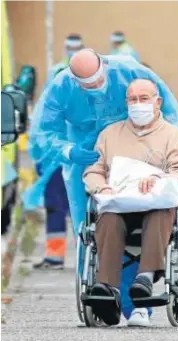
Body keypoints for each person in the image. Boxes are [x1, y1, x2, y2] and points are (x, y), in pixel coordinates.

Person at [27, 48, 178, 326]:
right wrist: (69, 152)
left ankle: (139, 301)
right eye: (86, 85)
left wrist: (165, 174)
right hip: (93, 158)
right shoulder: (62, 89)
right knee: (99, 226)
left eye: (143, 99)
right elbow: (43, 133)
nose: (94, 88)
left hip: (152, 175)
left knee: (156, 214)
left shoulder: (131, 73)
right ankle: (107, 295)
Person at [83, 79, 178, 326]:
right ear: (126, 103)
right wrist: (102, 186)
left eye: (144, 98)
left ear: (158, 102)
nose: (138, 104)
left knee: (161, 211)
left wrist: (158, 179)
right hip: (119, 204)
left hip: (155, 206)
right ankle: (107, 290)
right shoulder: (110, 135)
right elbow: (94, 170)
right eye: (133, 99)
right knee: (108, 218)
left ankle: (145, 278)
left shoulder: (173, 136)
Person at [32, 34, 84, 269]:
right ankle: (55, 256)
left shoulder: (82, 96)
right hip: (55, 160)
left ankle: (87, 255)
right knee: (55, 205)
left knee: (82, 208)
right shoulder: (56, 82)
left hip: (77, 158)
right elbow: (41, 129)